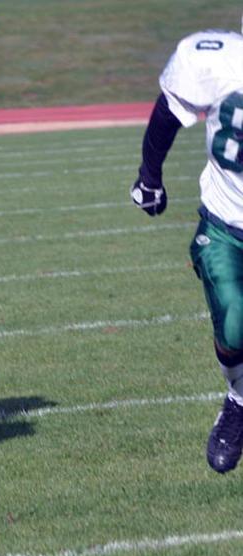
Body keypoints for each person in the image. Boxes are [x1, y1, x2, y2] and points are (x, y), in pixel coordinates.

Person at [131, 24, 243, 474]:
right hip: (225, 222)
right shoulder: (215, 59)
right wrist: (149, 176)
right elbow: (169, 111)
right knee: (234, 323)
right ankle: (238, 400)